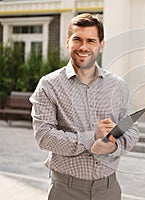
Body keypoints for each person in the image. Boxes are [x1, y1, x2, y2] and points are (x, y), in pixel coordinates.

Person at [29, 13, 139, 200]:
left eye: (91, 41)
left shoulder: (117, 85)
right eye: (77, 39)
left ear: (101, 45)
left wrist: (113, 147)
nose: (83, 47)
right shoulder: (49, 85)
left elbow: (133, 130)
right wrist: (92, 138)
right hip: (65, 190)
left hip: (108, 189)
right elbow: (44, 137)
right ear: (67, 42)